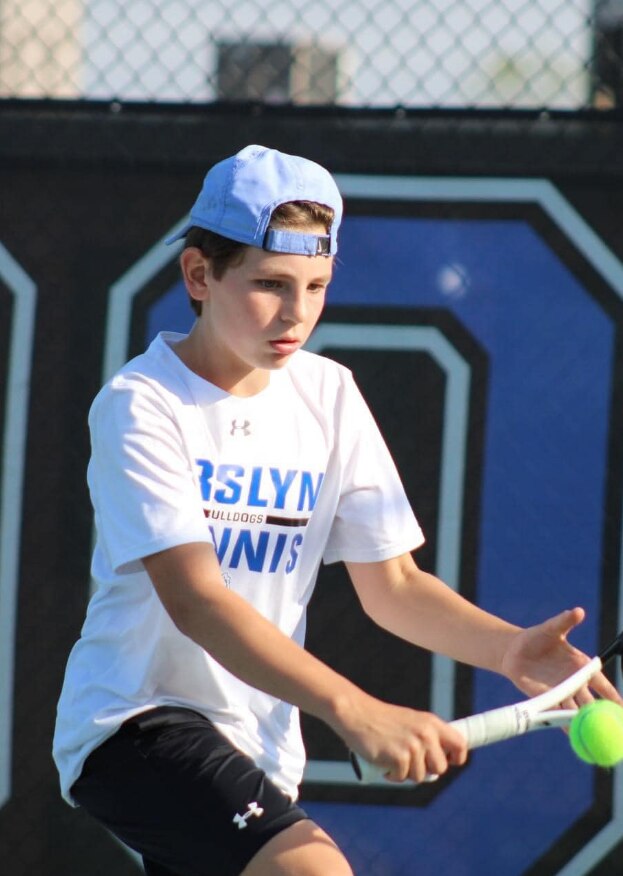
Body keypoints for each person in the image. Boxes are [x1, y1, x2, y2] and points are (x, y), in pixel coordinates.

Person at [53, 144, 620, 876]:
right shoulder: (141, 406)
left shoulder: (329, 395)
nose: (296, 313)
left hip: (258, 748)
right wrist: (354, 710)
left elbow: (396, 587)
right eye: (269, 284)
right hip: (133, 726)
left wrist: (506, 651)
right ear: (199, 274)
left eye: (316, 285)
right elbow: (196, 600)